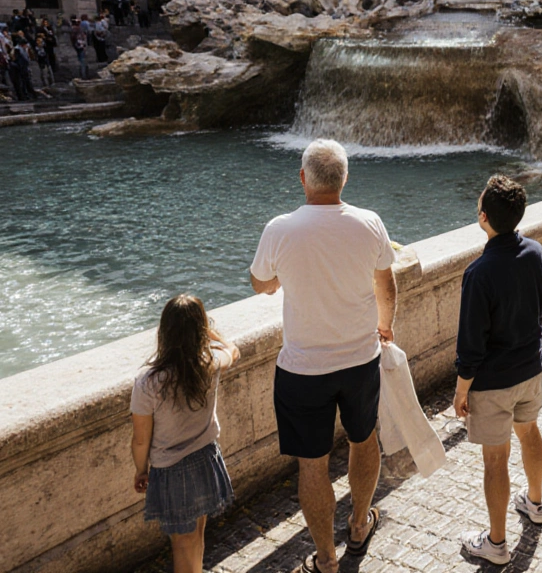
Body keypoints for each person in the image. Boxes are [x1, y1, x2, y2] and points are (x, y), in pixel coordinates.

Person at [250, 139, 398, 573]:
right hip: (360, 359)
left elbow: (260, 283)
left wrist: (278, 279)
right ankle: (357, 525)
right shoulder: (369, 223)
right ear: (345, 178)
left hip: (302, 369)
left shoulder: (280, 228)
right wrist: (385, 326)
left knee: (312, 464)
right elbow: (385, 286)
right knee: (363, 438)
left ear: (302, 179)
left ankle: (327, 560)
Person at [454, 175, 542, 565]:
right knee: (529, 433)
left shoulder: (478, 273)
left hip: (493, 381)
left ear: (483, 218)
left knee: (495, 460)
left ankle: (495, 544)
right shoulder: (536, 251)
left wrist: (461, 390)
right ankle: (536, 503)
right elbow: (541, 306)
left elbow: (471, 343)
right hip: (531, 367)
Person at [131, 295, 240, 573]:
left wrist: (141, 470)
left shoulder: (149, 382)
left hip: (172, 469)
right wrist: (210, 333)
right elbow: (233, 350)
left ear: (164, 332)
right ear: (200, 331)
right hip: (205, 459)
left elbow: (141, 439)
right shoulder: (210, 364)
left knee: (182, 544)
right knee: (198, 538)